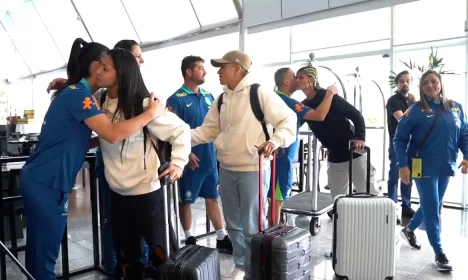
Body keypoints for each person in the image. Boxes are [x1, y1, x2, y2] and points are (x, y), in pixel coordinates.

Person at [19, 38, 165, 280]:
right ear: (97, 66)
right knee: (45, 254)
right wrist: (151, 113)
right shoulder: (80, 96)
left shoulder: (76, 92)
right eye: (106, 65)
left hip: (41, 178)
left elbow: (80, 140)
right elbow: (113, 133)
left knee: (38, 249)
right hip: (48, 182)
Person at [190, 50, 297, 280]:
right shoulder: (222, 99)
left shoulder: (259, 93)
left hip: (253, 169)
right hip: (227, 169)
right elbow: (208, 130)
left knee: (252, 227)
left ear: (237, 68)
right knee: (233, 224)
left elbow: (288, 120)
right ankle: (242, 265)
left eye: (223, 67)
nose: (218, 71)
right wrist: (180, 137)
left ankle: (255, 270)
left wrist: (274, 141)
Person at [95, 48, 190, 279]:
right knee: (127, 258)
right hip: (117, 194)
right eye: (99, 65)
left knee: (163, 255)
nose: (98, 71)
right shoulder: (100, 99)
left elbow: (181, 130)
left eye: (105, 68)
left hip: (147, 193)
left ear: (122, 73)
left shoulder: (145, 104)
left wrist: (177, 163)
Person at [395, 70, 468, 272]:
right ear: (421, 87)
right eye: (426, 82)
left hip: (446, 165)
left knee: (431, 205)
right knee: (433, 206)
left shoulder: (456, 108)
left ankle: (409, 229)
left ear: (441, 84)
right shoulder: (415, 110)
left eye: (434, 81)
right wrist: (402, 165)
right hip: (422, 165)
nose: (430, 85)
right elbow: (399, 139)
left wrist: (467, 156)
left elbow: (464, 134)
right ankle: (439, 252)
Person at [166, 56, 233, 252]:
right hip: (190, 161)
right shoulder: (176, 99)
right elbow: (171, 132)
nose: (205, 72)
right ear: (189, 72)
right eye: (201, 68)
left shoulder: (209, 96)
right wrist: (184, 156)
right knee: (185, 200)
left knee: (213, 197)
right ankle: (189, 238)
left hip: (210, 159)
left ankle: (221, 236)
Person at [298, 66, 379, 214]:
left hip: (353, 152)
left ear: (311, 79)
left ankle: (378, 226)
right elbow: (294, 123)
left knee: (368, 194)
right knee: (338, 199)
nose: (297, 80)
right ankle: (343, 226)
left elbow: (356, 115)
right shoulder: (304, 105)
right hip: (334, 155)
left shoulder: (329, 96)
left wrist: (360, 137)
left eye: (301, 77)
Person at [268, 67, 337, 226]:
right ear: (286, 81)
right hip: (281, 159)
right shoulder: (286, 101)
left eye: (301, 77)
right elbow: (319, 115)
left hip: (279, 157)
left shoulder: (276, 99)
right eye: (296, 77)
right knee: (277, 201)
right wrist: (330, 93)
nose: (298, 80)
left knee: (274, 200)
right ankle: (272, 239)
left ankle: (272, 234)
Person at [386, 70, 416, 223]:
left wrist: (414, 103)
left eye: (408, 81)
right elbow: (402, 120)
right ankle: (392, 206)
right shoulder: (393, 100)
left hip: (411, 145)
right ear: (397, 84)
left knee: (408, 176)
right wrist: (415, 105)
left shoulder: (411, 102)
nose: (405, 83)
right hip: (397, 143)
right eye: (402, 81)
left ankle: (406, 205)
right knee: (394, 175)